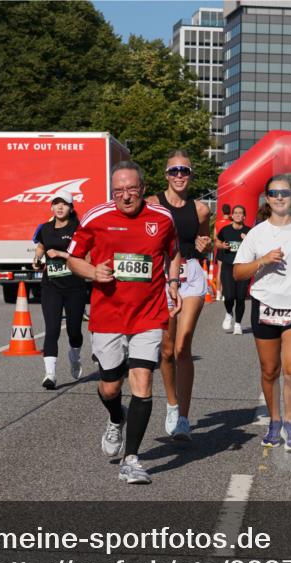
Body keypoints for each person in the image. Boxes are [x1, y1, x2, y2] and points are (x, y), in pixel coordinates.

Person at [66, 160, 182, 485]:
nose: (126, 197)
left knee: (142, 382)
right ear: (111, 192)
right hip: (108, 314)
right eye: (119, 191)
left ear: (143, 189)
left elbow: (173, 253)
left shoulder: (162, 218)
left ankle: (131, 459)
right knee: (110, 386)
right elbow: (73, 258)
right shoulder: (96, 217)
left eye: (131, 189)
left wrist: (174, 283)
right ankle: (116, 417)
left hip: (149, 311)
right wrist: (92, 272)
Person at [233, 176, 291, 452]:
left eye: (285, 192)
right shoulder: (257, 233)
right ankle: (274, 420)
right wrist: (262, 260)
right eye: (274, 193)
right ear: (267, 198)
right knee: (269, 370)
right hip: (265, 303)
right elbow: (237, 272)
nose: (280, 197)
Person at [147, 150, 212, 443]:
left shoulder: (200, 209)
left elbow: (203, 245)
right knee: (167, 350)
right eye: (174, 171)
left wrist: (204, 244)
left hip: (191, 276)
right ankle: (171, 404)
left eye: (184, 171)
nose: (179, 176)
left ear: (191, 175)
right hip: (161, 277)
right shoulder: (151, 205)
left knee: (184, 346)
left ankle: (183, 418)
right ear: (166, 175)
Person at [32, 191, 85, 390]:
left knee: (74, 331)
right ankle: (50, 374)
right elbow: (40, 247)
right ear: (51, 207)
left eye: (64, 204)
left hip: (74, 286)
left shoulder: (78, 228)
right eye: (56, 203)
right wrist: (37, 260)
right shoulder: (45, 228)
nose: (60, 207)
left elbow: (85, 254)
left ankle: (75, 355)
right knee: (52, 329)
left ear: (71, 208)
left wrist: (61, 254)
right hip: (51, 286)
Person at [215, 204, 250, 335]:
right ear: (232, 215)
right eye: (235, 212)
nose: (237, 214)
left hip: (244, 266)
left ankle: (238, 324)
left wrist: (247, 240)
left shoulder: (249, 231)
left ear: (244, 216)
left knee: (240, 297)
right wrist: (221, 245)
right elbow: (217, 242)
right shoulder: (225, 230)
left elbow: (256, 247)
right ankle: (229, 313)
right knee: (229, 296)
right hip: (228, 265)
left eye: (240, 213)